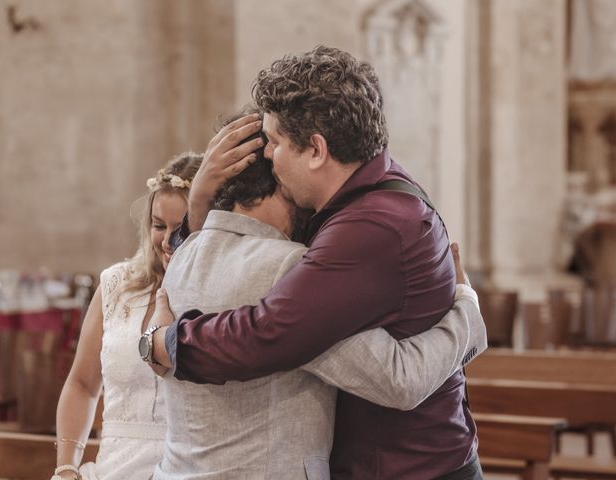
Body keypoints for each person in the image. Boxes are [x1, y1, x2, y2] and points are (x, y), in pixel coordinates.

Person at [150, 46, 483, 479]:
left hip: (411, 468)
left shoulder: (371, 227)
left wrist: (165, 343)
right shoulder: (347, 205)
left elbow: (269, 334)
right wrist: (199, 202)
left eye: (274, 142)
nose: (268, 156)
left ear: (316, 150)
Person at [52, 152, 202, 480]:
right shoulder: (116, 284)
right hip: (110, 468)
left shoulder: (217, 296)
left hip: (184, 469)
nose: (166, 240)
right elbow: (81, 384)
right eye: (158, 225)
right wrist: (66, 468)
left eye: (181, 229)